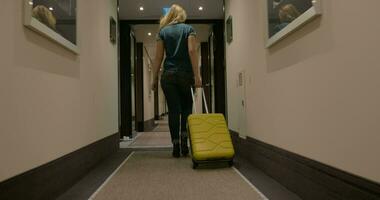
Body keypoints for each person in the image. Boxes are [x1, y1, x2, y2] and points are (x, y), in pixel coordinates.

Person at [151, 4, 202, 158]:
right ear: (182, 16)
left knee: (174, 110)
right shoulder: (188, 29)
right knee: (186, 109)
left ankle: (175, 145)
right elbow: (192, 51)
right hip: (186, 75)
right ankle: (185, 143)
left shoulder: (163, 32)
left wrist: (154, 78)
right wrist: (197, 75)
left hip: (168, 76)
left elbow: (158, 57)